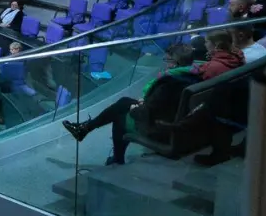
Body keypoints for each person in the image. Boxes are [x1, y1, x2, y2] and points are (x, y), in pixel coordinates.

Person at [62, 43, 206, 165]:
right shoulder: (193, 76)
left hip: (162, 128)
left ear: (176, 63)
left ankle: (112, 154)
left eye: (167, 60)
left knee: (120, 116)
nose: (165, 63)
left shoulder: (170, 83)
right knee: (123, 102)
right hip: (176, 121)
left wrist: (135, 108)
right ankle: (85, 129)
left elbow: (149, 111)